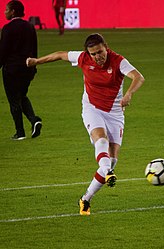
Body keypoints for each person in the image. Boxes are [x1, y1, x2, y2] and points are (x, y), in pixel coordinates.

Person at [26, 33, 145, 215]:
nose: (98, 57)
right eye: (94, 54)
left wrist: (129, 94)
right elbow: (59, 55)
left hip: (114, 113)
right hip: (92, 109)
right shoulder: (82, 58)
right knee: (101, 140)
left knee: (111, 161)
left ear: (106, 46)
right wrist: (36, 61)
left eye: (100, 52)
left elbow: (138, 77)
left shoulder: (118, 61)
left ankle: (86, 199)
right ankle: (108, 172)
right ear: (88, 53)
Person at [0, 0, 42, 140]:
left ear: (12, 11)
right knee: (22, 96)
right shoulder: (30, 27)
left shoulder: (7, 29)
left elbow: (3, 52)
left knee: (14, 100)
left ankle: (20, 132)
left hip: (11, 70)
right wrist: (34, 67)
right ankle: (34, 120)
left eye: (6, 9)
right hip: (27, 68)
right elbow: (34, 49)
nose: (4, 12)